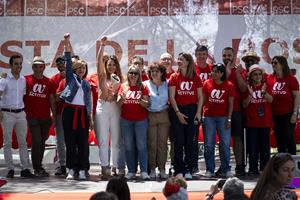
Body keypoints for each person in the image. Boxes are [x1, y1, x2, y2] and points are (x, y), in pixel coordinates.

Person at [60, 33, 93, 180]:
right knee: (70, 142)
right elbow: (67, 61)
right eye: (79, 68)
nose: (81, 70)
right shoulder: (71, 78)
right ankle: (71, 169)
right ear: (74, 69)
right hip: (70, 112)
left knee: (83, 143)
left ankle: (82, 169)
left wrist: (90, 116)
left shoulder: (86, 84)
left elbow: (88, 102)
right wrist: (67, 44)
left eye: (83, 68)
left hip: (82, 114)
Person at [168, 52, 203, 180]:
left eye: (181, 59)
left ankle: (189, 168)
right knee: (179, 141)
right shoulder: (174, 77)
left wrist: (198, 113)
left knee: (190, 142)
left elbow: (200, 97)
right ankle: (179, 169)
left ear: (188, 62)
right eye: (178, 59)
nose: (178, 61)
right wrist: (178, 113)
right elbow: (171, 97)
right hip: (177, 110)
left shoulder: (196, 77)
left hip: (192, 110)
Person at [0, 55, 35, 178]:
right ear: (10, 65)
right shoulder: (4, 79)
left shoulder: (23, 80)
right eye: (16, 64)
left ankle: (25, 168)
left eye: (20, 64)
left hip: (20, 113)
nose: (19, 66)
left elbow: (23, 95)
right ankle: (10, 169)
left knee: (23, 142)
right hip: (7, 113)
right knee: (7, 142)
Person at [94, 36, 125, 178]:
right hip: (103, 107)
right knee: (102, 138)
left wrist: (117, 96)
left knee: (116, 139)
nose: (111, 67)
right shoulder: (102, 76)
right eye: (109, 65)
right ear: (106, 66)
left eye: (114, 65)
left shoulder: (120, 79)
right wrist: (103, 46)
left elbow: (122, 93)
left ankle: (115, 166)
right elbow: (99, 61)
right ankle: (104, 166)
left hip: (115, 108)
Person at [24, 56, 56, 177]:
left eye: (40, 66)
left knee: (42, 142)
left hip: (45, 117)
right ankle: (36, 167)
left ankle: (39, 166)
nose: (38, 69)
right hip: (31, 116)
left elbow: (52, 99)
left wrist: (53, 114)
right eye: (36, 66)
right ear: (32, 67)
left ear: (44, 67)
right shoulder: (25, 80)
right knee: (36, 141)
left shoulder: (49, 82)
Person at [117, 66, 150, 180]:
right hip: (126, 120)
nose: (133, 75)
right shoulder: (123, 86)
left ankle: (144, 171)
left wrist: (141, 100)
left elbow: (147, 104)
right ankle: (131, 171)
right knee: (129, 146)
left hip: (141, 120)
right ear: (128, 74)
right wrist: (122, 98)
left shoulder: (143, 86)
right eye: (131, 73)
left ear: (139, 75)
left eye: (135, 73)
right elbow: (118, 104)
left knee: (142, 146)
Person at [202, 63, 234, 178]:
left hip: (223, 118)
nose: (214, 73)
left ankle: (226, 169)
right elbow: (203, 101)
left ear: (222, 73)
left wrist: (229, 118)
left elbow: (231, 104)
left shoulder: (229, 85)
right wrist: (201, 115)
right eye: (213, 71)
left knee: (225, 144)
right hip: (209, 117)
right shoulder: (207, 83)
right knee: (209, 144)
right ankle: (209, 169)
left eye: (216, 71)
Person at [242, 65, 273, 176]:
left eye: (260, 74)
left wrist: (264, 92)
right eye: (255, 74)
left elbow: (271, 100)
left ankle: (265, 169)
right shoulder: (247, 88)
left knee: (265, 147)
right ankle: (253, 168)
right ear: (251, 76)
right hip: (252, 123)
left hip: (264, 122)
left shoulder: (266, 86)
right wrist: (250, 95)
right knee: (253, 147)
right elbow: (244, 105)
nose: (258, 76)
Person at [222, 47, 247, 177]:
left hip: (236, 110)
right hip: (220, 111)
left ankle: (240, 166)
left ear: (233, 56)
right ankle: (224, 166)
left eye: (229, 55)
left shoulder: (240, 70)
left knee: (237, 139)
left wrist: (236, 74)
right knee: (223, 140)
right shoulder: (218, 70)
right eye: (224, 55)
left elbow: (243, 89)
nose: (227, 58)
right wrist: (226, 72)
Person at [267, 56, 300, 155]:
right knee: (279, 139)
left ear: (282, 64)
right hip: (275, 115)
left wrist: (295, 113)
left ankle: (293, 162)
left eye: (276, 63)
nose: (273, 65)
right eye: (272, 63)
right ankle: (282, 164)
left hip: (288, 114)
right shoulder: (270, 78)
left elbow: (297, 97)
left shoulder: (291, 79)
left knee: (289, 138)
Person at [144, 62, 170, 179]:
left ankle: (162, 169)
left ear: (162, 73)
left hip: (164, 115)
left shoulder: (167, 84)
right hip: (150, 115)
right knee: (152, 144)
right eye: (152, 71)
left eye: (157, 71)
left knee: (162, 144)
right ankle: (152, 169)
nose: (154, 73)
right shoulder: (145, 84)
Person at [50, 56, 67, 176]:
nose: (61, 65)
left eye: (63, 62)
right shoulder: (53, 79)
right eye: (58, 63)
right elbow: (53, 98)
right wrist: (54, 115)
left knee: (72, 141)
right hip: (60, 114)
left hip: (74, 114)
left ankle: (74, 164)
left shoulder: (74, 77)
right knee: (60, 141)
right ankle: (62, 165)